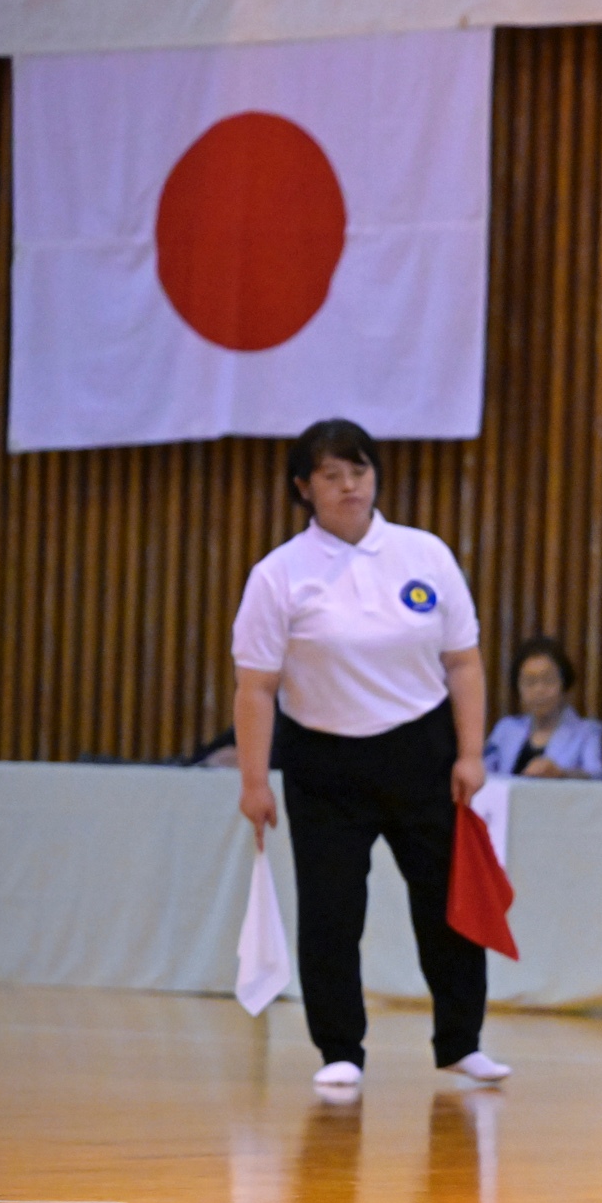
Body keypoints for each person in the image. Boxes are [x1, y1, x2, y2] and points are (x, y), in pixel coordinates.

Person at [231, 419, 512, 1092]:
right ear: (304, 488)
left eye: (358, 470)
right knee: (331, 911)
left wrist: (470, 754)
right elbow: (256, 686)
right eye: (331, 475)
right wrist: (253, 781)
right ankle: (339, 1050)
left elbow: (464, 662)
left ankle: (461, 1043)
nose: (349, 486)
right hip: (322, 764)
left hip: (422, 752)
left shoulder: (424, 554)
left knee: (446, 904)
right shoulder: (278, 575)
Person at [485, 637, 602, 779]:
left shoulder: (587, 732)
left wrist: (562, 774)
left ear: (564, 684)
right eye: (530, 682)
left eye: (548, 680)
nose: (539, 690)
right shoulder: (506, 729)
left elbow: (598, 778)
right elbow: (484, 773)